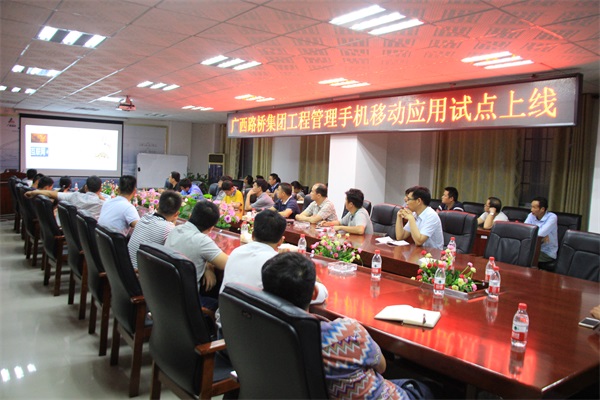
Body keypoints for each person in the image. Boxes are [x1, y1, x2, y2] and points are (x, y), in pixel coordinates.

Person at [261, 252, 432, 400]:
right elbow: (382, 367)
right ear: (314, 293)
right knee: (430, 387)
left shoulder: (264, 329)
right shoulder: (348, 333)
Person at [216, 210, 327, 327]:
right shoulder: (277, 265)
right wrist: (313, 276)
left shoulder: (236, 252)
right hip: (257, 333)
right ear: (281, 241)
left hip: (225, 327)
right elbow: (318, 294)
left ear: (252, 235)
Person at [164, 200, 228, 309]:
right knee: (220, 306)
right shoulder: (201, 240)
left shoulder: (176, 229)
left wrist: (207, 265)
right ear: (211, 228)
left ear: (190, 215)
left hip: (165, 295)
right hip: (186, 303)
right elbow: (227, 263)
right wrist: (208, 264)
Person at [127, 190, 182, 269]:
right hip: (140, 274)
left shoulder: (145, 217)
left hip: (127, 269)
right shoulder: (168, 228)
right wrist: (173, 223)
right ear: (176, 214)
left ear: (157, 206)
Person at [25, 175, 106, 219]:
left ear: (86, 187)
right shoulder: (102, 204)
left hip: (73, 232)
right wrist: (100, 196)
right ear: (100, 188)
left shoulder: (74, 196)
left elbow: (51, 194)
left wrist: (34, 192)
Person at [524, 196, 558, 263]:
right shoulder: (531, 215)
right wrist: (543, 235)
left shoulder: (552, 217)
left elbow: (540, 234)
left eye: (534, 207)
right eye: (531, 207)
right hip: (532, 249)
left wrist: (541, 235)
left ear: (542, 209)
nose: (531, 210)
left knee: (524, 258)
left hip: (546, 252)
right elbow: (524, 230)